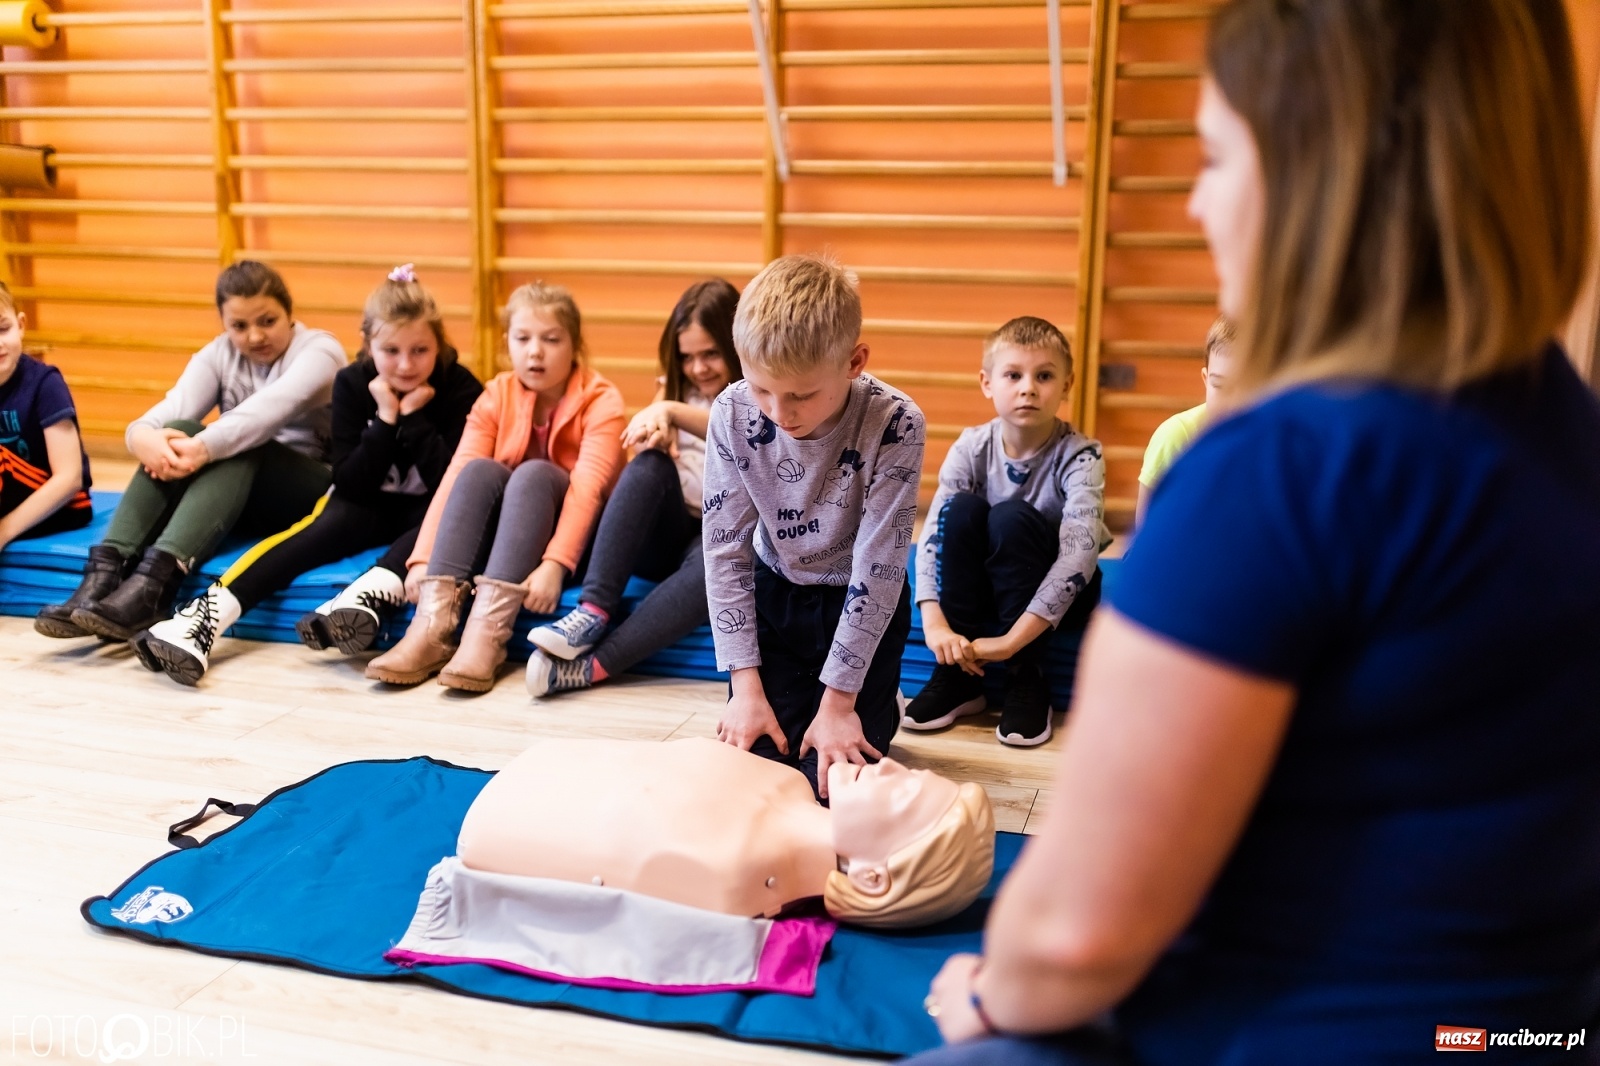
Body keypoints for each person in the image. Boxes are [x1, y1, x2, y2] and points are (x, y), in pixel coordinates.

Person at [909, 1, 1600, 1063]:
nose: (1193, 202)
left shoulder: (1280, 469)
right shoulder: (1558, 415)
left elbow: (1075, 934)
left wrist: (992, 994)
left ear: (1318, 180)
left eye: (1217, 159)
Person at [131, 266, 483, 685]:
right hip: (363, 501)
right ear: (368, 345)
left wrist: (415, 419)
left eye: (420, 351)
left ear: (439, 344)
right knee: (311, 535)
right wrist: (388, 419)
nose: (406, 365)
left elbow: (450, 481)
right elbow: (350, 481)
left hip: (428, 508)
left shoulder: (461, 387)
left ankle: (367, 594)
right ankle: (200, 620)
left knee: (442, 523)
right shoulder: (352, 383)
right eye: (391, 351)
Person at [702, 254, 925, 802]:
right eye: (761, 389)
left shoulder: (896, 422)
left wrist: (841, 703)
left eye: (801, 394)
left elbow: (879, 567)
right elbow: (725, 551)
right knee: (758, 774)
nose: (779, 413)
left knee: (831, 783)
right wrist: (744, 688)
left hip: (858, 599)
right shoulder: (731, 411)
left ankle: (876, 699)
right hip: (776, 595)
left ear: (854, 362)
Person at [35, 261, 344, 642]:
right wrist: (143, 439)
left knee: (242, 442)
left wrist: (199, 449)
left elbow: (265, 413)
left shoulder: (320, 350)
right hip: (242, 490)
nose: (254, 336)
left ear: (289, 313)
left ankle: (156, 584)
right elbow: (174, 407)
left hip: (312, 492)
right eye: (239, 326)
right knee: (179, 429)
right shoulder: (219, 353)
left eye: (268, 321)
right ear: (224, 323)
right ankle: (104, 573)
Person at [364, 281, 625, 690]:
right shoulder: (496, 394)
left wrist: (555, 565)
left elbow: (588, 489)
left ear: (575, 345)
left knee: (534, 472)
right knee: (478, 471)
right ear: (507, 343)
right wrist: (422, 560)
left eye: (551, 339)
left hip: (577, 541)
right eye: (523, 339)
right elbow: (457, 473)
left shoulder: (602, 400)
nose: (535, 352)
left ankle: (487, 634)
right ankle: (430, 628)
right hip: (512, 537)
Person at [453, 737, 994, 926]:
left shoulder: (735, 874)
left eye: (903, 794)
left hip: (503, 820)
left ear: (873, 877)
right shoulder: (790, 783)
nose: (890, 767)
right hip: (541, 772)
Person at [525, 278, 742, 696]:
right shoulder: (675, 388)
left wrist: (671, 412)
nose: (698, 368)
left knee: (723, 563)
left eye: (711, 354)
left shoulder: (758, 393)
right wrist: (653, 431)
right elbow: (644, 452)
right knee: (648, 466)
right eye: (688, 357)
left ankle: (593, 667)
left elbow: (741, 432)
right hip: (668, 529)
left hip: (715, 536)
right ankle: (592, 611)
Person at [904, 316, 1107, 747]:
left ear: (1067, 385)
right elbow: (933, 535)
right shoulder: (971, 446)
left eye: (1044, 376)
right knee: (960, 510)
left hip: (1051, 594)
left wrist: (1013, 644)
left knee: (1010, 517)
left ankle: (1027, 674)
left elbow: (1080, 555)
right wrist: (935, 624)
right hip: (985, 590)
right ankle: (958, 676)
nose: (1028, 388)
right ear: (987, 383)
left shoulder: (1081, 455)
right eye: (1013, 375)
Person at [0, 282, 92, 550]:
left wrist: (4, 531)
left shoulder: (45, 383)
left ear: (21, 325)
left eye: (3, 329)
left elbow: (69, 478)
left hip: (64, 504)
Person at [1133, 316, 1235, 527]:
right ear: (1206, 380)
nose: (1231, 400)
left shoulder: (1274, 441)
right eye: (1219, 385)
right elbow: (1146, 526)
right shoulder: (1175, 436)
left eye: (1246, 386)